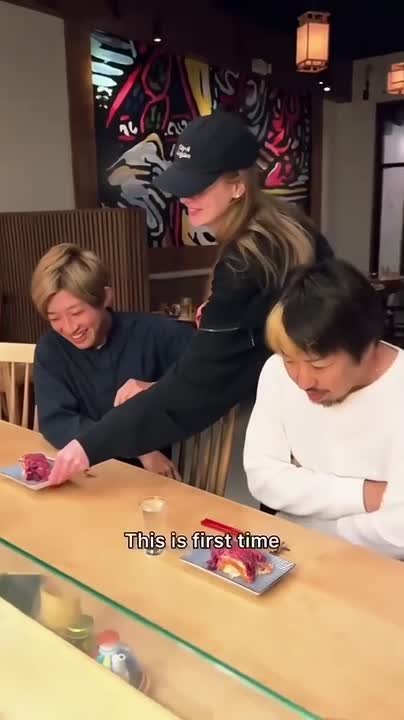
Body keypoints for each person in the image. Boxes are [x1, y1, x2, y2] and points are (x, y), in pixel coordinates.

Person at [47, 108, 333, 486]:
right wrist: (163, 388)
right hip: (319, 401)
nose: (184, 197)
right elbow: (237, 358)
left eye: (198, 186)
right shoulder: (288, 228)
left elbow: (199, 384)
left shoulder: (244, 262)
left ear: (237, 185)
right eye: (182, 184)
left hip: (306, 420)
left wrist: (88, 446)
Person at [243, 258, 404, 560]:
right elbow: (263, 477)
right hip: (289, 553)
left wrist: (305, 525)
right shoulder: (276, 372)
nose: (303, 381)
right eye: (290, 360)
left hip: (381, 571)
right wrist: (364, 494)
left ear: (368, 347)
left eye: (319, 365)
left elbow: (398, 533)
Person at [32, 243, 194, 478]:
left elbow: (208, 376)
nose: (69, 328)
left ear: (106, 297)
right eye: (54, 318)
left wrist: (157, 388)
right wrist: (140, 449)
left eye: (76, 313)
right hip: (84, 473)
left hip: (148, 479)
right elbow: (57, 422)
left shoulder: (156, 333)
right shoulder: (51, 349)